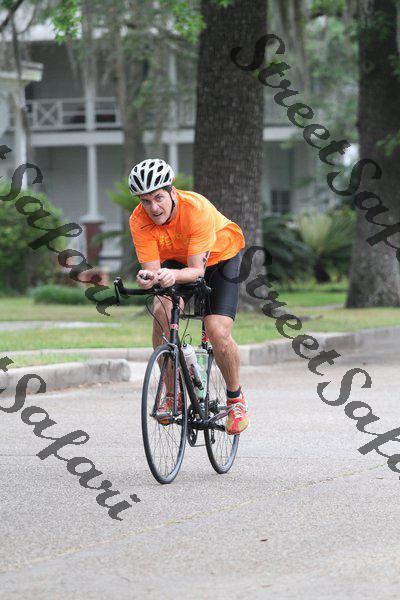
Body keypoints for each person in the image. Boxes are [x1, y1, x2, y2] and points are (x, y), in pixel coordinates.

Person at [128, 158, 248, 435]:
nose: (153, 208)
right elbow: (153, 271)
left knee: (217, 331)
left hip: (220, 258)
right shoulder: (139, 220)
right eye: (145, 201)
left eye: (158, 197)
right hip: (177, 260)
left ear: (172, 192)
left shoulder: (196, 209)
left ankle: (236, 400)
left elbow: (196, 271)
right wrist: (147, 279)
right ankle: (173, 393)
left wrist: (170, 275)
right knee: (161, 311)